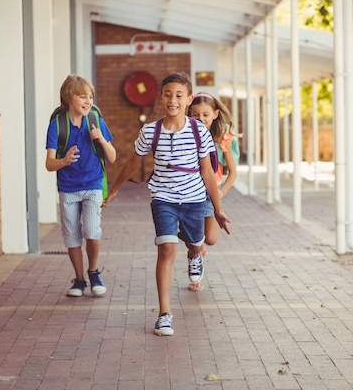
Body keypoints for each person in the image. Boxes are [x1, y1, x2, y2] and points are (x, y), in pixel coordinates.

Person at [104, 71, 231, 336]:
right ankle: (164, 314)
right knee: (166, 250)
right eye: (168, 94)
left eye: (179, 95)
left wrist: (218, 209)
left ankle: (195, 255)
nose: (172, 100)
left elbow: (208, 172)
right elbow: (133, 161)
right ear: (161, 97)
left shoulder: (199, 131)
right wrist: (115, 189)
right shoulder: (151, 130)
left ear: (189, 99)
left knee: (196, 242)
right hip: (163, 198)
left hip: (195, 199)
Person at [45, 74, 116, 297]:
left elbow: (112, 157)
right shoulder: (57, 125)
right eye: (82, 96)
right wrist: (64, 161)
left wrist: (101, 139)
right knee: (72, 235)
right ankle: (79, 280)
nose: (88, 101)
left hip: (93, 184)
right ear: (69, 98)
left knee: (92, 230)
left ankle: (94, 271)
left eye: (90, 97)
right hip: (68, 187)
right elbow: (49, 164)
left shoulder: (95, 120)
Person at [188, 92, 238, 271]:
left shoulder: (222, 137)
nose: (200, 119)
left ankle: (197, 244)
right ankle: (194, 259)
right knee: (195, 239)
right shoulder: (187, 134)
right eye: (195, 115)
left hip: (211, 192)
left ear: (215, 114)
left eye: (205, 115)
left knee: (210, 238)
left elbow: (232, 172)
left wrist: (221, 192)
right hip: (189, 191)